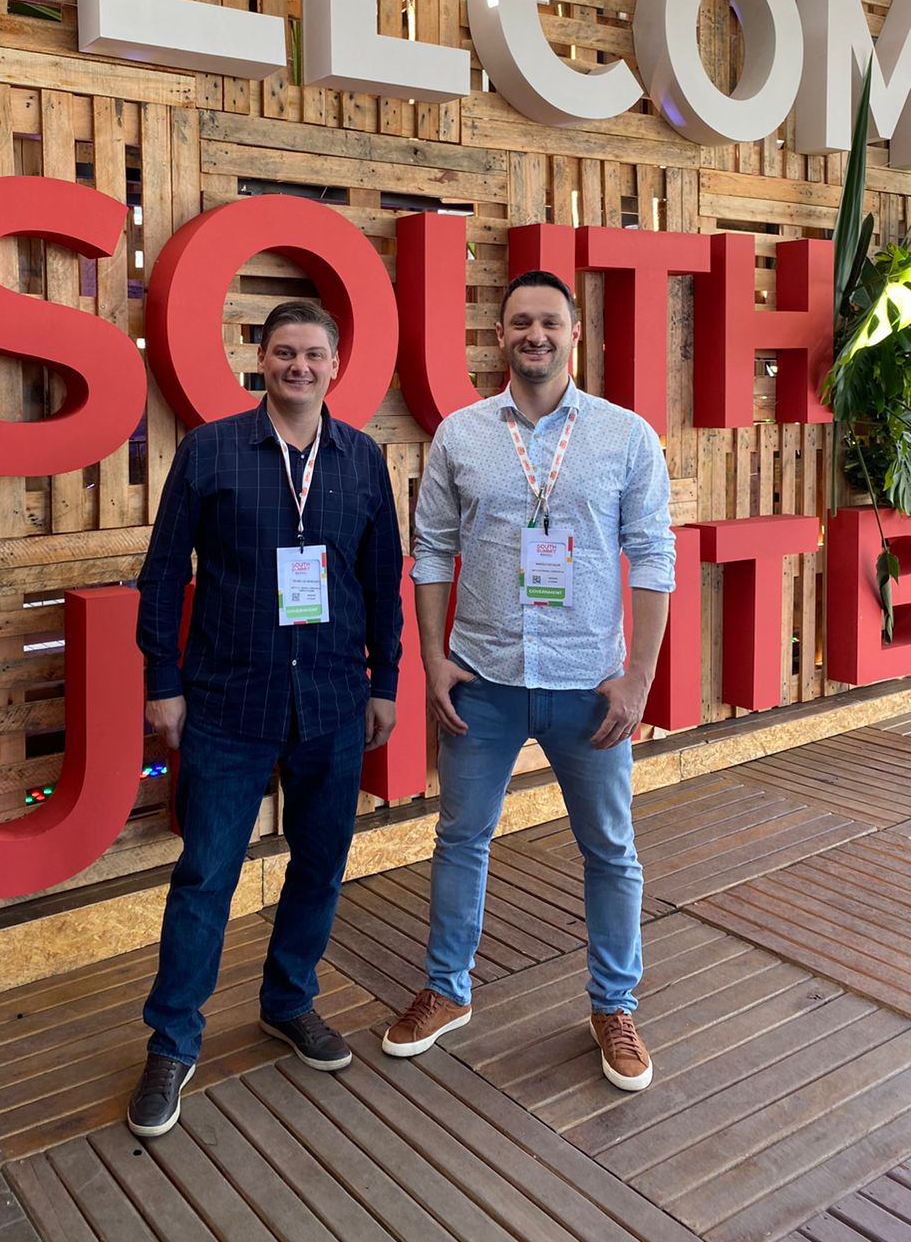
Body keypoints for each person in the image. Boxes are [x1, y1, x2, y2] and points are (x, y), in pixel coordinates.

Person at [382, 270, 674, 1092]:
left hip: (590, 685)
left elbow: (653, 556)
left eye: (550, 321)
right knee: (459, 840)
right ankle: (446, 989)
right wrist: (433, 657)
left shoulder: (625, 436)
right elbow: (432, 551)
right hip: (483, 678)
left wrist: (638, 677)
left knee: (610, 850)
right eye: (519, 322)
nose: (534, 334)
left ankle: (614, 1006)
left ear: (576, 334)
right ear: (499, 336)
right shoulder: (461, 435)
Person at [127, 300, 403, 1137]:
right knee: (205, 876)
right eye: (284, 352)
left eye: (313, 354)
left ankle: (288, 1000)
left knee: (319, 868)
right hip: (227, 701)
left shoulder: (362, 460)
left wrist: (385, 683)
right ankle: (172, 1042)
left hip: (332, 701)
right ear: (260, 359)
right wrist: (163, 682)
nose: (299, 367)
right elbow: (164, 572)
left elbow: (381, 581)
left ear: (335, 365)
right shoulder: (211, 451)